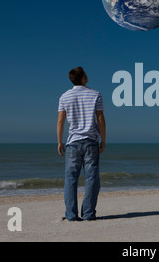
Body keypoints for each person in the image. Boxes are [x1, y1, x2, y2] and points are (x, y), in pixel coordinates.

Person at [57, 67, 106, 221]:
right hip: (91, 141)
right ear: (83, 77)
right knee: (92, 179)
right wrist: (103, 140)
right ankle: (88, 214)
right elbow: (100, 119)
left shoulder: (64, 96)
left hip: (73, 142)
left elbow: (60, 121)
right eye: (86, 73)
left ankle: (71, 215)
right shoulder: (96, 94)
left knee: (71, 179)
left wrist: (59, 141)